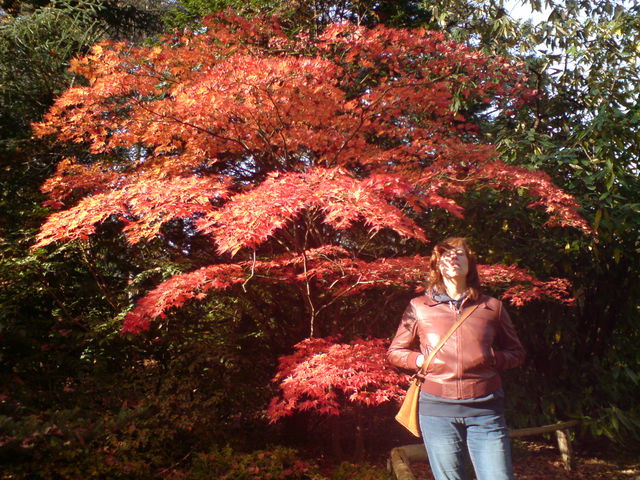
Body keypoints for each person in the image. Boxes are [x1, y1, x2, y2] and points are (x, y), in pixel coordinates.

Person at [388, 237, 526, 480]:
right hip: (437, 410)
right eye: (446, 255)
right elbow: (395, 352)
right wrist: (420, 361)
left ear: (470, 264)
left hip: (486, 409)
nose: (453, 258)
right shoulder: (418, 306)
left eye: (460, 254)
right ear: (437, 265)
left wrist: (493, 357)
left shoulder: (492, 307)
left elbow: (516, 353)